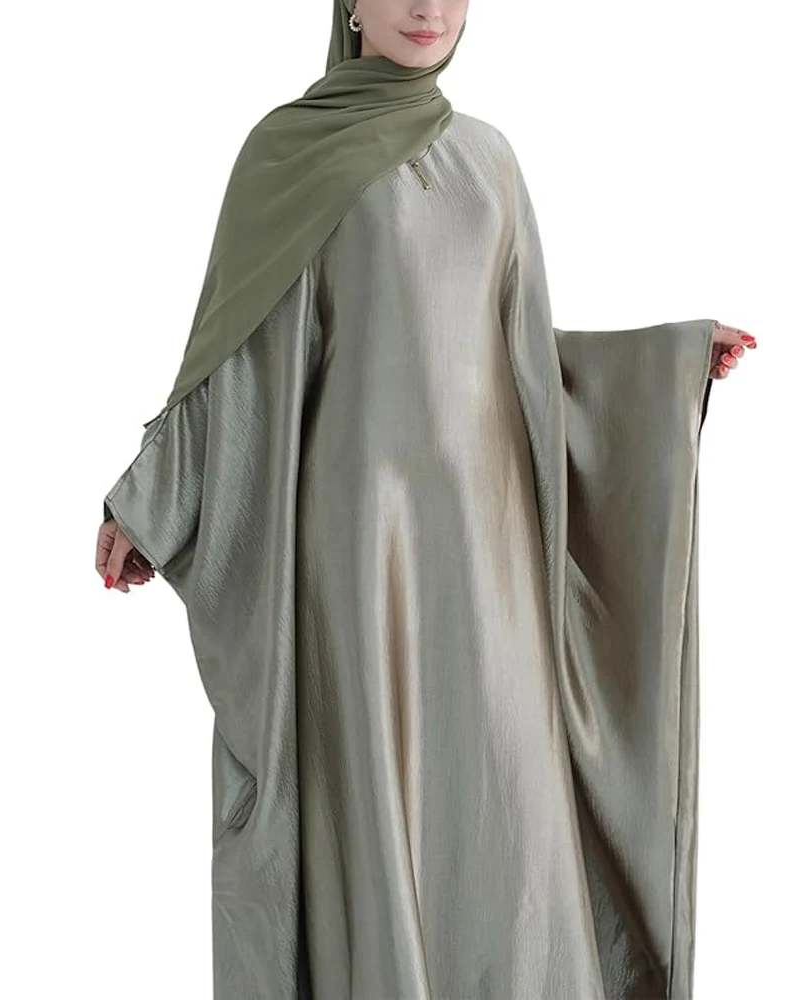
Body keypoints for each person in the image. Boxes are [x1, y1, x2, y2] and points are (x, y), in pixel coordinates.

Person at [94, 2, 757, 997]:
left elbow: (525, 365)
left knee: (509, 808)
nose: (427, 8)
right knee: (379, 812)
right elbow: (238, 359)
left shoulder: (491, 162)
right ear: (350, 5)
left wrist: (664, 368)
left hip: (493, 554)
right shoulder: (288, 155)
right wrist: (150, 499)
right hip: (361, 557)